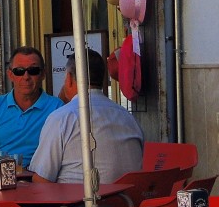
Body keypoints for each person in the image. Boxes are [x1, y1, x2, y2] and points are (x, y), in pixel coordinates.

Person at [29, 49, 144, 186]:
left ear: (70, 79)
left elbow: (42, 180)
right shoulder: (127, 117)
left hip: (80, 204)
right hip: (127, 203)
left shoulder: (62, 117)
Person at [0, 45, 64, 163]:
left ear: (43, 74)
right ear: (10, 75)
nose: (26, 77)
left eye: (33, 71)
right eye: (19, 71)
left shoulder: (57, 108)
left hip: (37, 178)